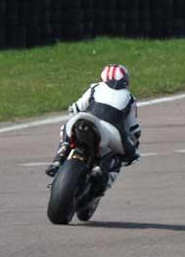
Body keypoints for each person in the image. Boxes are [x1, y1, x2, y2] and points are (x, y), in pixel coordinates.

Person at [45, 64, 141, 195]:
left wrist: (74, 119)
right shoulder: (130, 97)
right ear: (126, 80)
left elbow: (75, 108)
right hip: (112, 132)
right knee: (128, 155)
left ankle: (59, 157)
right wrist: (134, 145)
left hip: (85, 120)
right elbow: (133, 128)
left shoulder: (95, 87)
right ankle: (102, 170)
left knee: (66, 128)